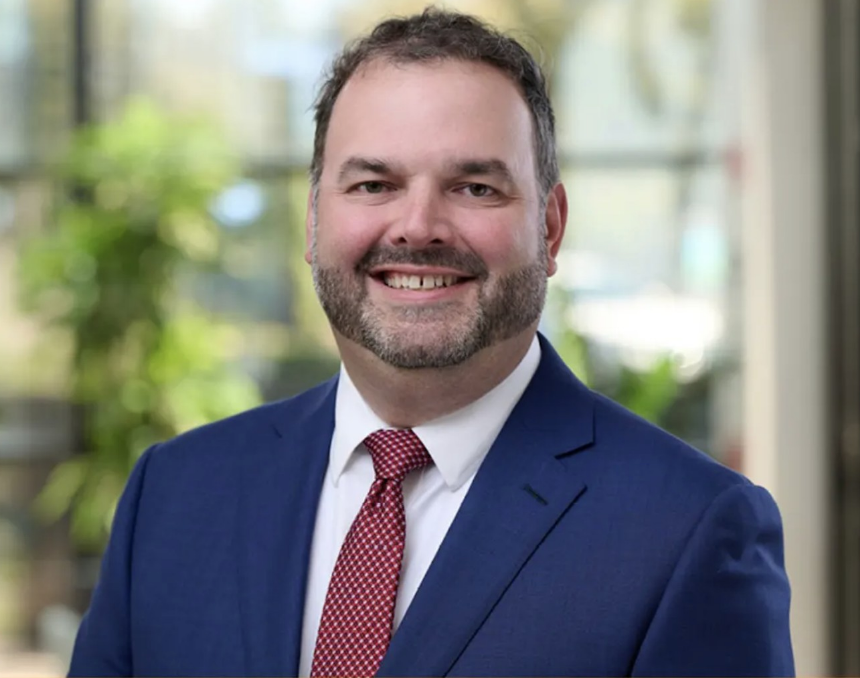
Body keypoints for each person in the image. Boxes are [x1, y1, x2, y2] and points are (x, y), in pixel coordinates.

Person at [68, 8, 794, 677]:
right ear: (313, 221)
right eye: (373, 184)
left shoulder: (691, 530)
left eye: (475, 187)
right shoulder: (173, 495)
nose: (418, 227)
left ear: (549, 229)